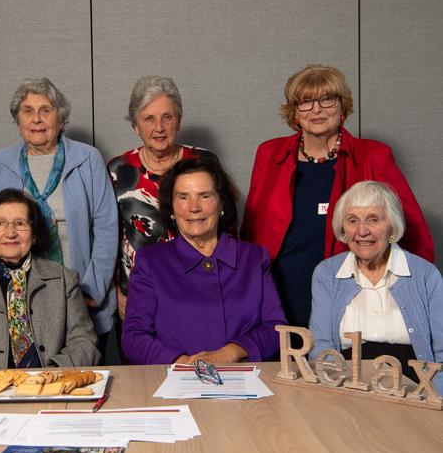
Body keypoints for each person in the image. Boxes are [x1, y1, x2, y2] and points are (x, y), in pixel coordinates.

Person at [241, 64, 433, 329]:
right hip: (276, 295)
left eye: (327, 99)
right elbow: (250, 230)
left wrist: (410, 297)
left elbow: (413, 233)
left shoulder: (373, 156)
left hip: (350, 296)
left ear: (342, 107)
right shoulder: (269, 154)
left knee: (337, 368)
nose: (316, 109)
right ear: (295, 112)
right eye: (306, 101)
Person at [0, 78, 118, 358]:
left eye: (46, 110)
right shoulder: (0, 163)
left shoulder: (87, 158)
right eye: (27, 111)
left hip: (81, 291)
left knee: (82, 373)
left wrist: (91, 289)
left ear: (61, 118)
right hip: (19, 295)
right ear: (18, 120)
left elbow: (106, 227)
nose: (37, 119)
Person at [121, 158, 287, 365]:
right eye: (183, 197)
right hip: (174, 381)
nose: (194, 207)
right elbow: (133, 337)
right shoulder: (150, 262)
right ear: (172, 208)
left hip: (244, 381)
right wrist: (184, 363)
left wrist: (232, 352)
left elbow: (275, 327)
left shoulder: (253, 258)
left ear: (222, 204)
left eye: (205, 196)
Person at [0, 189, 100, 370]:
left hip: (53, 388)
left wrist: (52, 375)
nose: (10, 233)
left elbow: (85, 342)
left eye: (20, 223)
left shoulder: (64, 281)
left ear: (34, 234)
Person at [309, 181, 442, 393]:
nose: (362, 231)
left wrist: (436, 399)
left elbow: (442, 351)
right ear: (343, 228)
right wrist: (336, 391)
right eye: (352, 220)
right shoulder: (326, 274)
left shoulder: (425, 275)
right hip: (349, 387)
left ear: (392, 226)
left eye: (373, 219)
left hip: (416, 391)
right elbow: (321, 345)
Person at [108, 76, 219, 320]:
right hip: (139, 295)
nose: (159, 127)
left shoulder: (204, 162)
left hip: (201, 290)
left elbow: (227, 226)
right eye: (149, 119)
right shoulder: (118, 169)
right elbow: (109, 237)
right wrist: (117, 293)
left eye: (167, 117)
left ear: (178, 121)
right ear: (136, 126)